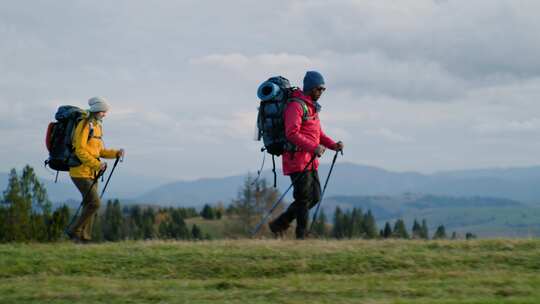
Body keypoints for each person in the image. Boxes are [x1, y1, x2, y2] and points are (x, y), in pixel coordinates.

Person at [269, 71, 344, 239]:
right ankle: (301, 237)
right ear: (311, 87)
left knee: (315, 197)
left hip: (309, 160)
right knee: (303, 199)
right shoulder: (295, 106)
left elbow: (318, 134)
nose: (321, 92)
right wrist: (314, 148)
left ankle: (279, 224)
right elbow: (291, 133)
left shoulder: (311, 107)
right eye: (319, 89)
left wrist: (333, 145)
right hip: (296, 160)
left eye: (323, 89)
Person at [67, 97, 124, 243]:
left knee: (89, 205)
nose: (105, 114)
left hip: (92, 172)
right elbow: (79, 150)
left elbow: (99, 151)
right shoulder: (84, 125)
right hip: (79, 172)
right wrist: (97, 165)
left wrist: (115, 153)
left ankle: (83, 239)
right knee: (95, 203)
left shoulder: (97, 126)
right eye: (104, 111)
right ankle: (74, 230)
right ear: (97, 110)